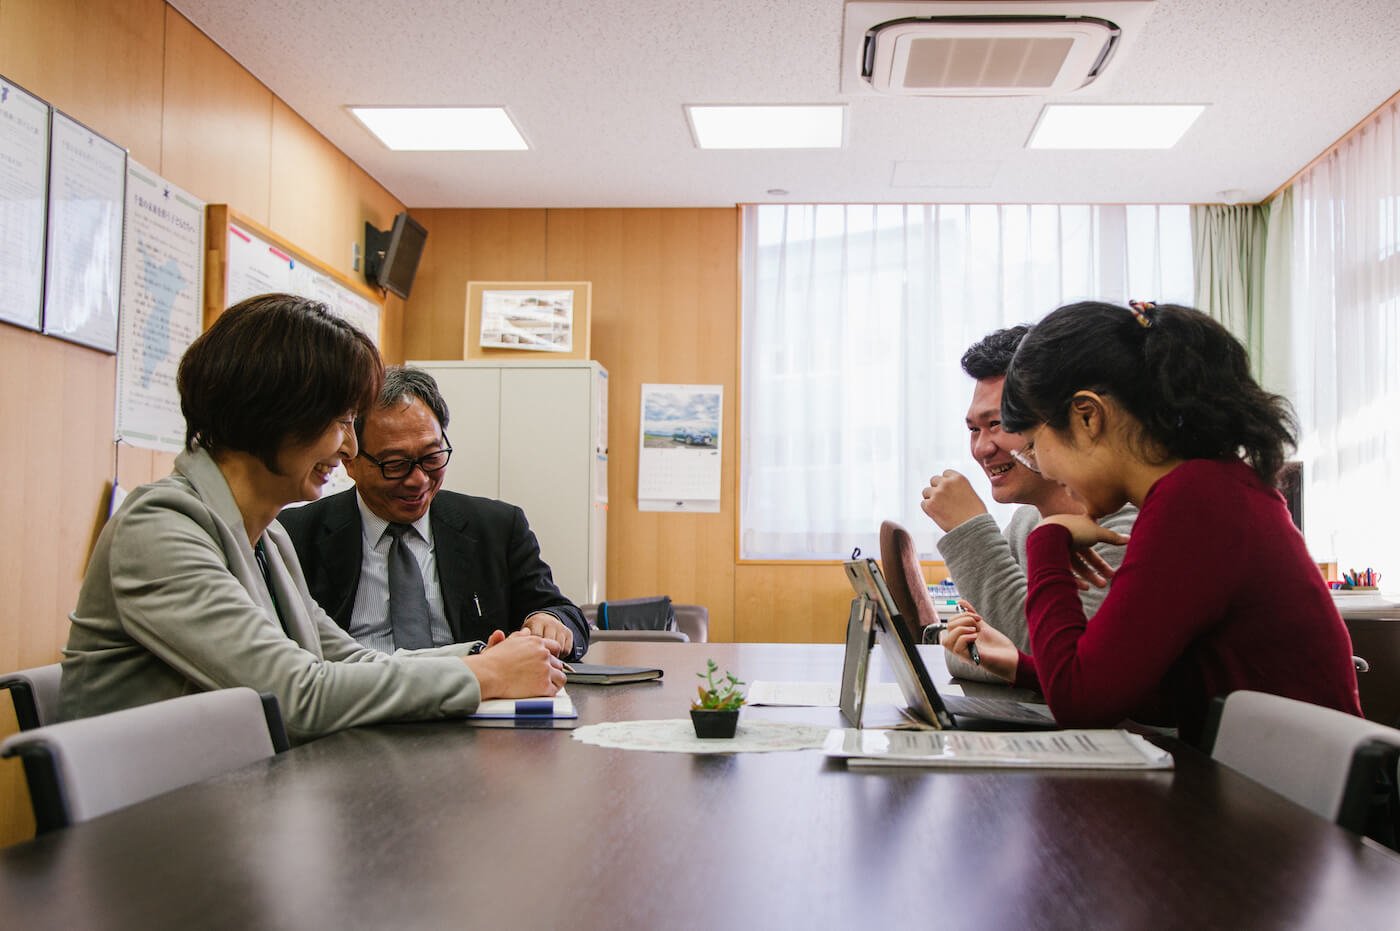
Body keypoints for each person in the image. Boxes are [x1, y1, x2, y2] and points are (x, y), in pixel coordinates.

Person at [61, 294, 564, 742]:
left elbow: (348, 659)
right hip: (157, 813)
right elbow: (295, 695)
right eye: (341, 421)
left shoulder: (267, 538)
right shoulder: (159, 529)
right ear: (274, 418)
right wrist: (486, 675)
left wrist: (483, 658)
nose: (349, 448)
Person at [943, 300, 1361, 743]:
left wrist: (1047, 540)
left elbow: (1082, 705)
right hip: (1265, 769)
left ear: (1088, 417)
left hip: (1286, 782)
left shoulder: (1193, 504)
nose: (1042, 466)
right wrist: (1023, 668)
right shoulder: (1206, 487)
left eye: (1034, 445)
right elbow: (1145, 688)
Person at [279, 365, 589, 661]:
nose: (419, 480)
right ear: (351, 460)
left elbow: (564, 613)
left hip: (476, 691)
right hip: (356, 693)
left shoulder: (497, 527)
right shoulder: (294, 536)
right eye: (395, 464)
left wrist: (549, 620)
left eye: (432, 457)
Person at [920, 326, 1137, 683]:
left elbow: (1058, 666)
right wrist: (988, 652)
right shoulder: (1025, 523)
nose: (982, 448)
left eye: (998, 423)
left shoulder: (1123, 529)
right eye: (974, 429)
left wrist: (969, 530)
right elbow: (969, 649)